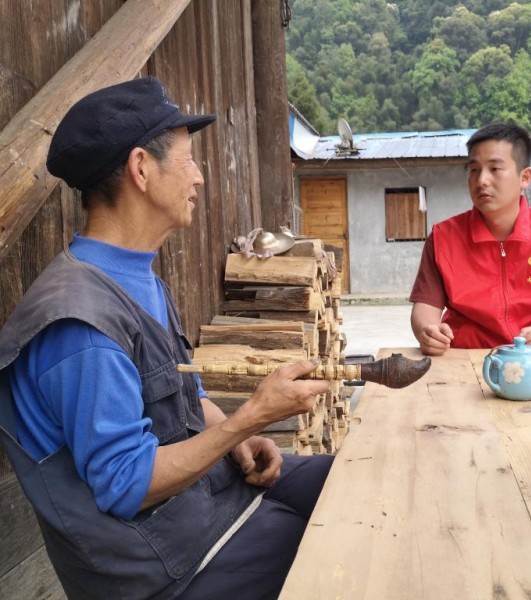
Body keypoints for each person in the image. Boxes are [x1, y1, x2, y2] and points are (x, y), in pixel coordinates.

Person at [0, 77, 333, 599]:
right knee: (350, 562)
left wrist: (239, 435)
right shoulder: (79, 325)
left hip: (211, 503)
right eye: (189, 161)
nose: (199, 178)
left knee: (356, 479)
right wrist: (252, 415)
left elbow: (184, 396)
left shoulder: (136, 276)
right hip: (169, 566)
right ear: (140, 169)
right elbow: (127, 485)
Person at [409, 121, 531, 356]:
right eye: (474, 170)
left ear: (525, 177)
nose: (481, 180)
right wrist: (428, 331)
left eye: (495, 169)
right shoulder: (443, 237)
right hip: (465, 357)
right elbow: (425, 307)